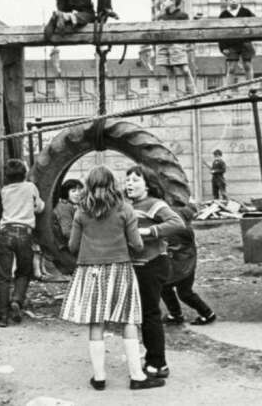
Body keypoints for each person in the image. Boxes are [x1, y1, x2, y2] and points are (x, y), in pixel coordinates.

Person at [60, 166, 164, 390]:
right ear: (112, 184)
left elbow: (72, 246)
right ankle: (137, 377)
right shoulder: (125, 209)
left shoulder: (81, 211)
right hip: (120, 269)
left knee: (96, 322)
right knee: (128, 320)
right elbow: (136, 244)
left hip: (90, 271)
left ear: (88, 185)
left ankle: (99, 378)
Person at [124, 165, 185, 381]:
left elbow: (178, 223)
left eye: (135, 180)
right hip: (136, 266)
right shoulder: (128, 204)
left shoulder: (154, 204)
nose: (129, 183)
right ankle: (151, 357)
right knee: (142, 315)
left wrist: (149, 231)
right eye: (127, 179)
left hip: (152, 264)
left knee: (150, 314)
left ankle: (158, 363)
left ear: (147, 185)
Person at [0, 159, 44, 327]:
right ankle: (17, 299)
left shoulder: (4, 191)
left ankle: (2, 317)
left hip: (6, 233)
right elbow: (39, 208)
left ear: (7, 177)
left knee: (3, 276)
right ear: (25, 174)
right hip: (24, 233)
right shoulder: (30, 187)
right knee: (24, 271)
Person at [161, 205, 216, 326]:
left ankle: (207, 314)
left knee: (182, 292)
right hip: (184, 264)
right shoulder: (183, 228)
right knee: (167, 288)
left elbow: (173, 246)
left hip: (182, 265)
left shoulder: (180, 229)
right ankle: (176, 315)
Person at [154, 0, 197, 93]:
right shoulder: (161, 17)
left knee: (185, 69)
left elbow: (187, 30)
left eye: (165, 0)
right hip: (164, 45)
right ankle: (172, 96)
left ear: (173, 2)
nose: (163, 3)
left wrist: (187, 44)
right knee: (169, 71)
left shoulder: (182, 15)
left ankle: (194, 92)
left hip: (177, 45)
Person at [217, 0, 255, 87]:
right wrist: (223, 47)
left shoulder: (246, 12)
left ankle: (251, 87)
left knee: (247, 65)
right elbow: (220, 33)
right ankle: (228, 89)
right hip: (231, 44)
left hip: (245, 42)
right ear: (226, 0)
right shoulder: (224, 14)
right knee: (231, 67)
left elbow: (254, 24)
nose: (234, 1)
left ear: (240, 0)